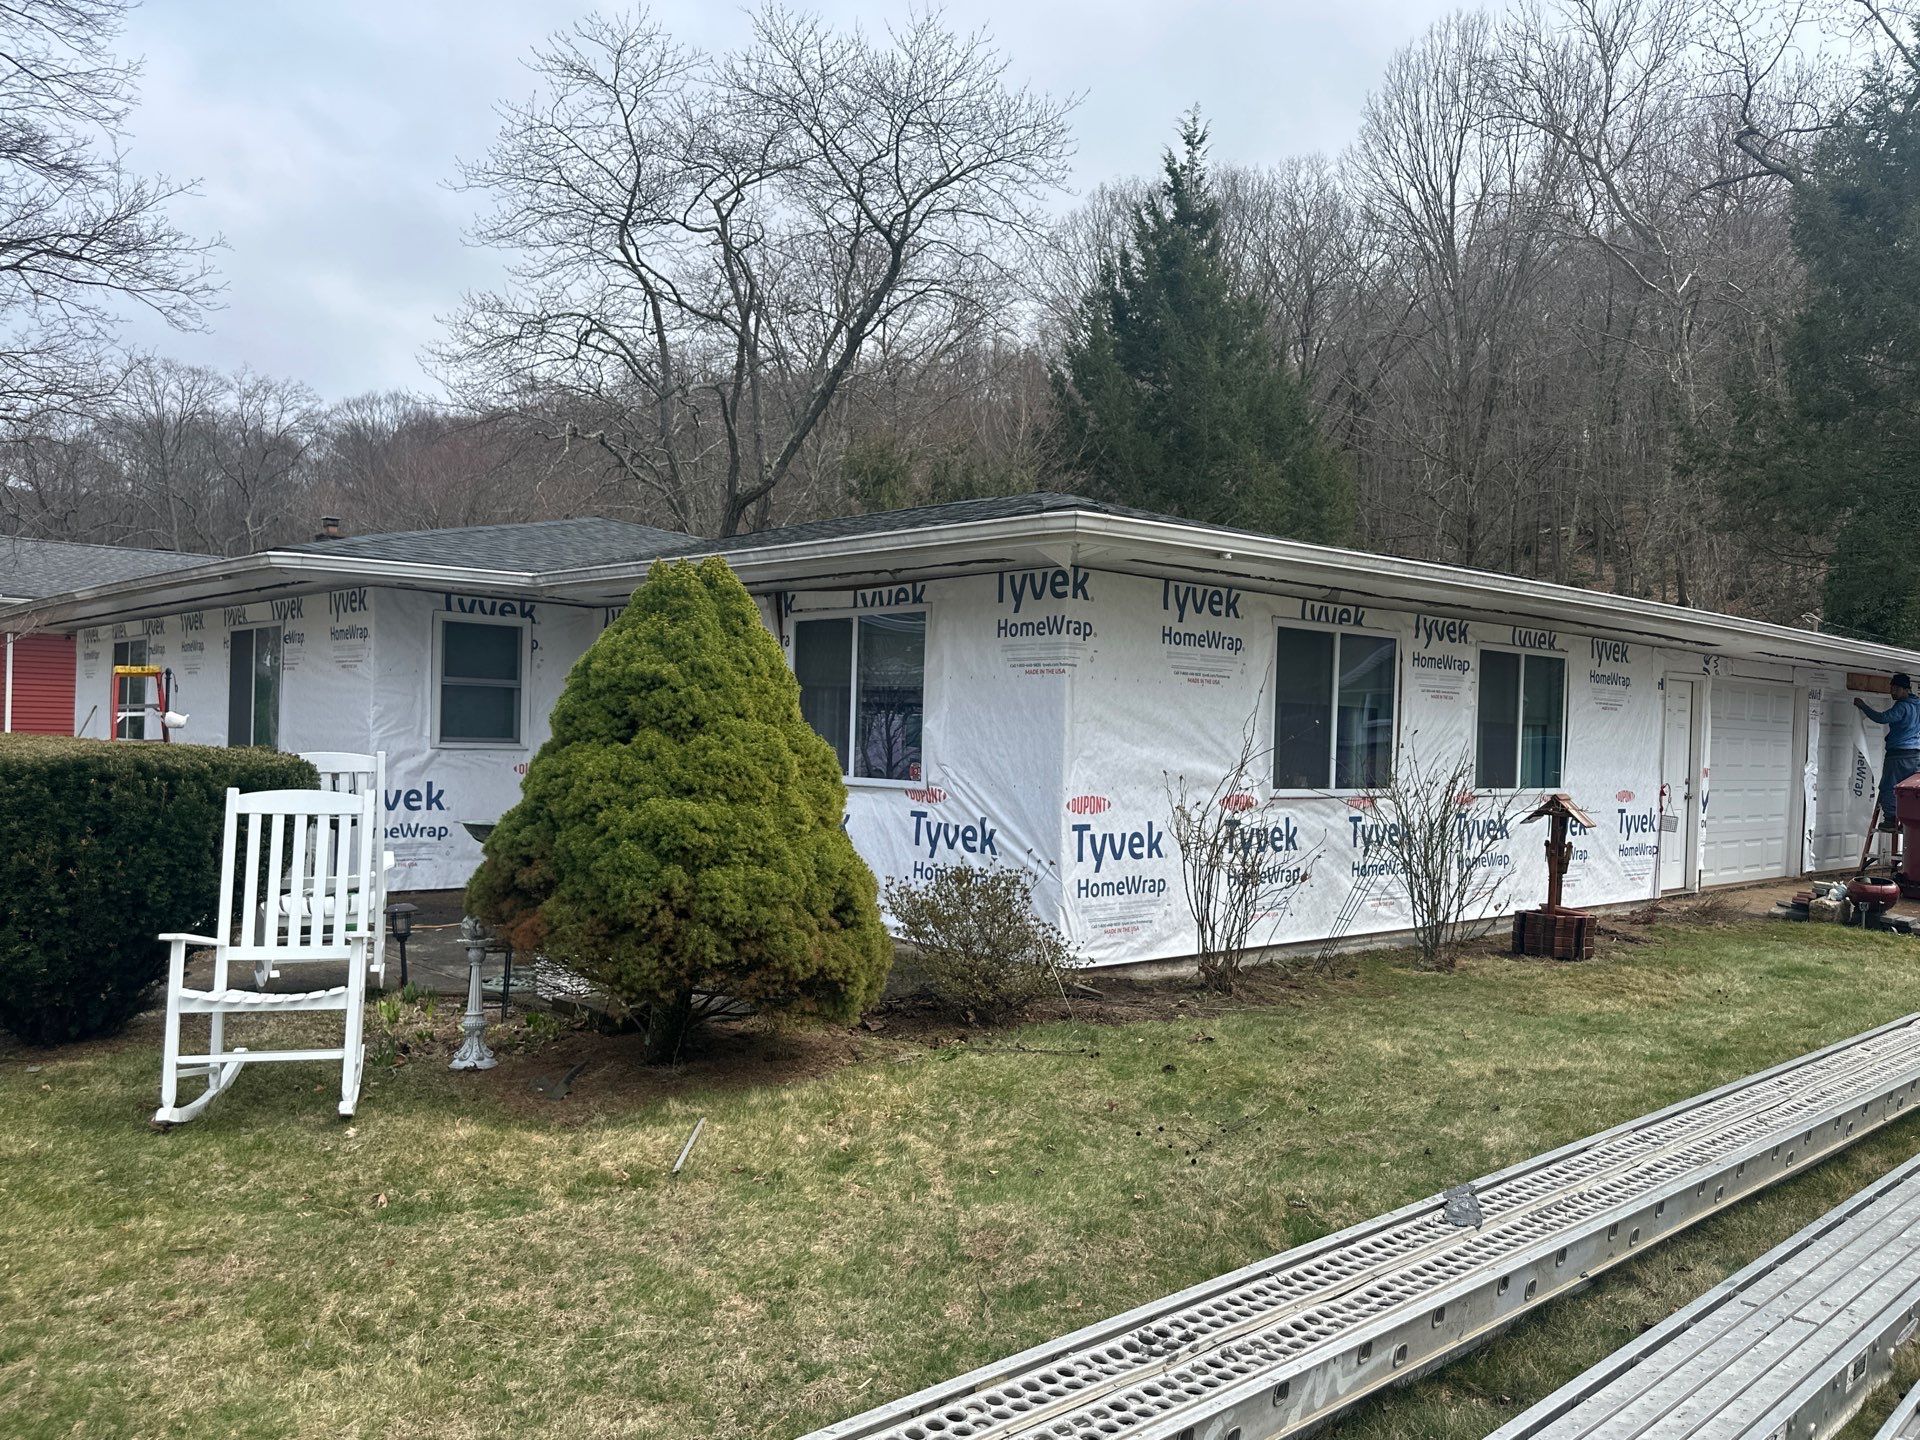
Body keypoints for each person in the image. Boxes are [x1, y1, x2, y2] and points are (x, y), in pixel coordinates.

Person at [1855, 672, 1920, 832]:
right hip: (1915, 754)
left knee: (1888, 787)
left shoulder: (1902, 706)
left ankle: (1890, 820)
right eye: (1891, 688)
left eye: (1896, 689)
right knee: (1911, 790)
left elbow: (1882, 718)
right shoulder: (1918, 704)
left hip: (1898, 754)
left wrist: (1863, 706)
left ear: (1906, 689)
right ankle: (1910, 820)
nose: (1892, 692)